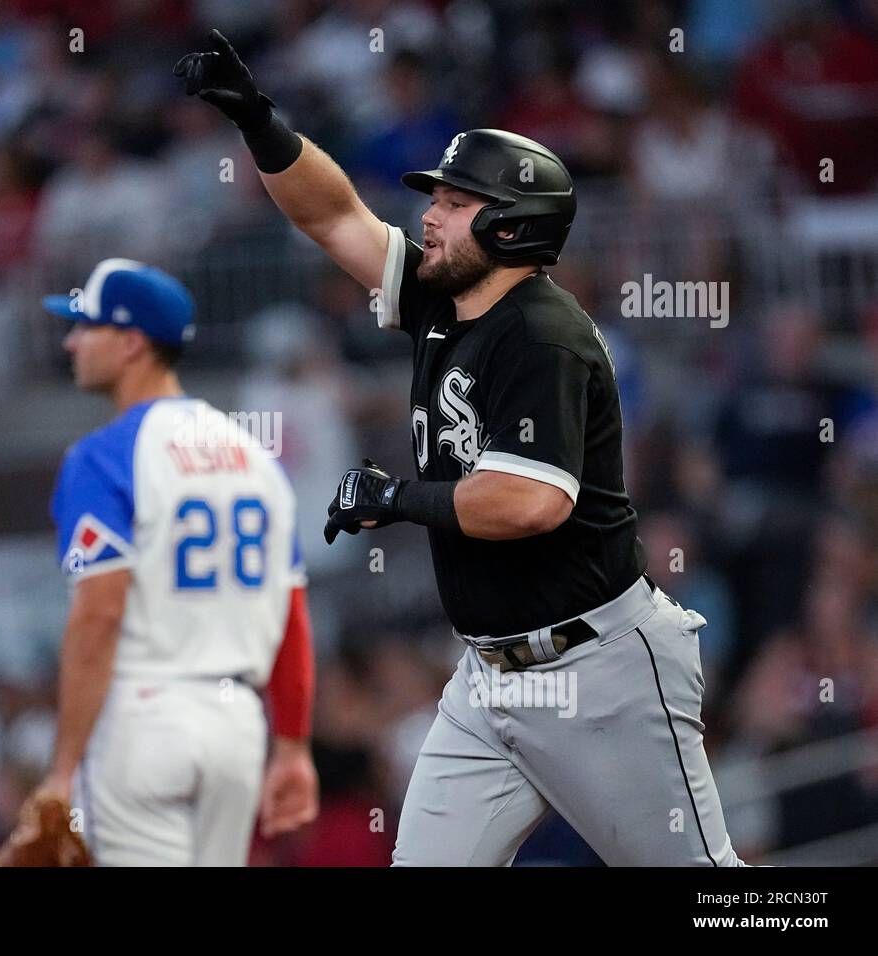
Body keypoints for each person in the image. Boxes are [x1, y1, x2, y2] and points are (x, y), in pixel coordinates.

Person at [176, 30, 743, 866]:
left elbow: (529, 502)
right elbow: (334, 215)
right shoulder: (445, 303)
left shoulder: (544, 335)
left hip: (598, 669)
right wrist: (260, 121)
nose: (430, 213)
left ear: (513, 225)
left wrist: (396, 498)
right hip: (486, 679)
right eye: (434, 196)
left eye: (454, 200)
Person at [13, 258, 318, 866]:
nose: (71, 341)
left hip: (143, 719)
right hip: (237, 726)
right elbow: (291, 617)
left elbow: (100, 611)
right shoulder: (253, 456)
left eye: (85, 326)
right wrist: (292, 745)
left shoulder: (103, 456)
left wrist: (62, 769)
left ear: (130, 344)